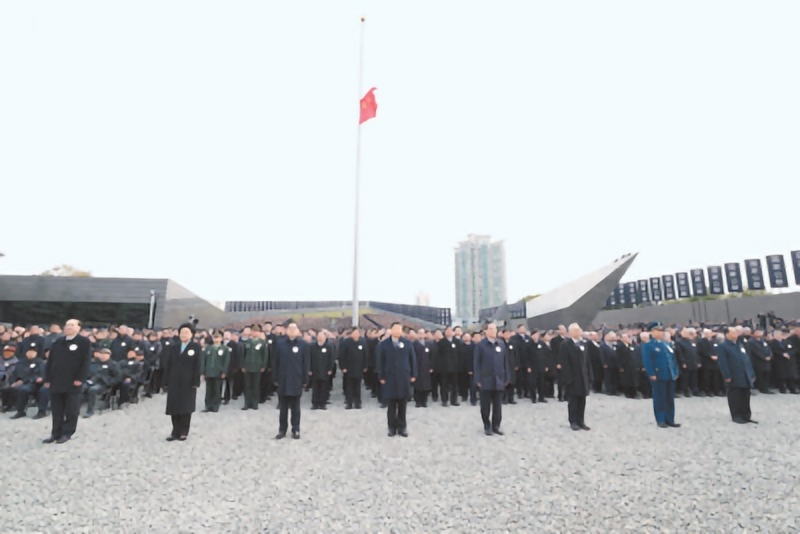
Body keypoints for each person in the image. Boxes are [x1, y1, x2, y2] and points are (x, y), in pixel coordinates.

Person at [43, 319, 90, 444]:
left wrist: (80, 378)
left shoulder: (83, 342)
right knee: (57, 409)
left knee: (71, 409)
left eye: (72, 325)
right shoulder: (58, 341)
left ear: (79, 328)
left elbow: (85, 362)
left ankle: (67, 432)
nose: (68, 327)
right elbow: (50, 361)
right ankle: (55, 432)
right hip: (56, 380)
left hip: (73, 381)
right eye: (67, 325)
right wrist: (47, 379)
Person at [376, 322, 418, 437]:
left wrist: (414, 374)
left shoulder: (407, 343)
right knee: (391, 405)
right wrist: (381, 376)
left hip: (403, 377)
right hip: (389, 377)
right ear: (391, 330)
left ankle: (402, 427)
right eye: (395, 329)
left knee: (402, 405)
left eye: (399, 329)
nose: (397, 331)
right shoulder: (384, 344)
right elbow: (380, 361)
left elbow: (412, 359)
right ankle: (391, 428)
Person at [163, 323, 202, 441]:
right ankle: (175, 431)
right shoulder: (174, 347)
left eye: (186, 332)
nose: (184, 334)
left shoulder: (196, 347)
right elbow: (168, 364)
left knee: (185, 406)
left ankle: (184, 431)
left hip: (188, 381)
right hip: (174, 380)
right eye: (182, 332)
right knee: (173, 406)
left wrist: (196, 381)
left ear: (192, 334)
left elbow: (198, 365)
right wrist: (166, 380)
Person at [273, 323, 310, 440]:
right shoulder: (280, 344)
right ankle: (282, 429)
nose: (292, 330)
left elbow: (306, 363)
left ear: (298, 331)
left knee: (296, 407)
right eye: (290, 328)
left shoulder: (303, 345)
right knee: (283, 408)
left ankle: (296, 429)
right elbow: (275, 362)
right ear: (286, 331)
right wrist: (275, 378)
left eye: (295, 328)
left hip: (296, 379)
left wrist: (305, 379)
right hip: (283, 379)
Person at [473, 323, 511, 436]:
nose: (493, 331)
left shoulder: (501, 344)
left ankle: (496, 426)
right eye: (490, 329)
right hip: (485, 379)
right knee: (485, 405)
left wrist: (507, 377)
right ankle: (487, 425)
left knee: (497, 405)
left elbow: (505, 362)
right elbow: (476, 363)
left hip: (499, 379)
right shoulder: (481, 345)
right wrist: (477, 378)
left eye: (494, 329)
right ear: (486, 331)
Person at [640, 322, 680, 428]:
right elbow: (647, 361)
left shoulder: (666, 344)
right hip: (658, 374)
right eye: (658, 331)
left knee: (669, 398)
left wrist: (675, 371)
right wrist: (651, 373)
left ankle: (670, 419)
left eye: (661, 331)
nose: (661, 333)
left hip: (669, 374)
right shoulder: (648, 345)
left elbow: (672, 359)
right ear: (652, 332)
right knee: (660, 397)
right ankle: (661, 419)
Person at [717, 326, 757, 424]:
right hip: (734, 375)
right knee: (735, 396)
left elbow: (746, 360)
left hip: (745, 374)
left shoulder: (740, 345)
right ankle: (736, 415)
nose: (736, 334)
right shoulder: (723, 346)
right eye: (733, 332)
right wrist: (727, 375)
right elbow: (723, 362)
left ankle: (746, 415)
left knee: (745, 396)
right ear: (727, 334)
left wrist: (751, 373)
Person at [557, 323, 592, 431]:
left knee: (582, 400)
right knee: (573, 401)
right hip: (572, 377)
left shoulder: (583, 343)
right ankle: (573, 421)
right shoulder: (565, 344)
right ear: (571, 332)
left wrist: (590, 375)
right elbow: (564, 363)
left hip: (583, 377)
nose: (579, 331)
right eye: (577, 330)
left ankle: (581, 421)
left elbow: (587, 361)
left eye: (579, 329)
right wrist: (567, 378)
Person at [200, 331, 230, 413]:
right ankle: (208, 405)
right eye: (214, 337)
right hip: (209, 371)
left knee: (217, 390)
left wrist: (224, 372)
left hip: (218, 372)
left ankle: (215, 405)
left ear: (221, 338)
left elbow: (226, 361)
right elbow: (203, 360)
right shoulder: (208, 348)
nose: (216, 339)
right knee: (209, 390)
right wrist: (203, 371)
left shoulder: (224, 349)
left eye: (218, 337)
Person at [309, 331, 335, 410]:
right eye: (319, 336)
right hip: (315, 370)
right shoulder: (312, 346)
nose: (320, 338)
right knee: (315, 388)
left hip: (325, 370)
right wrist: (309, 369)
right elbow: (309, 358)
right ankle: (315, 403)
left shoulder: (329, 346)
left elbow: (331, 359)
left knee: (324, 388)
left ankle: (322, 403)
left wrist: (330, 369)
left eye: (322, 336)